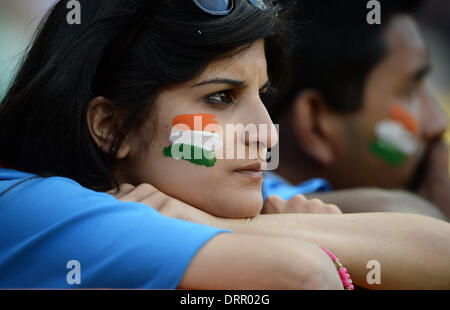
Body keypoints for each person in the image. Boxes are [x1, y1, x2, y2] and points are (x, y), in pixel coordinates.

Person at [0, 0, 449, 289]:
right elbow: (306, 278)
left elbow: (430, 238)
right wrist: (309, 244)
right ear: (110, 125)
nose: (264, 132)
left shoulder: (190, 191)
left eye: (263, 96)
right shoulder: (29, 206)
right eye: (221, 97)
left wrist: (233, 228)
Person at [265, 0, 450, 220]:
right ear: (316, 124)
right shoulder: (236, 213)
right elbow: (403, 216)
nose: (438, 122)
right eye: (409, 89)